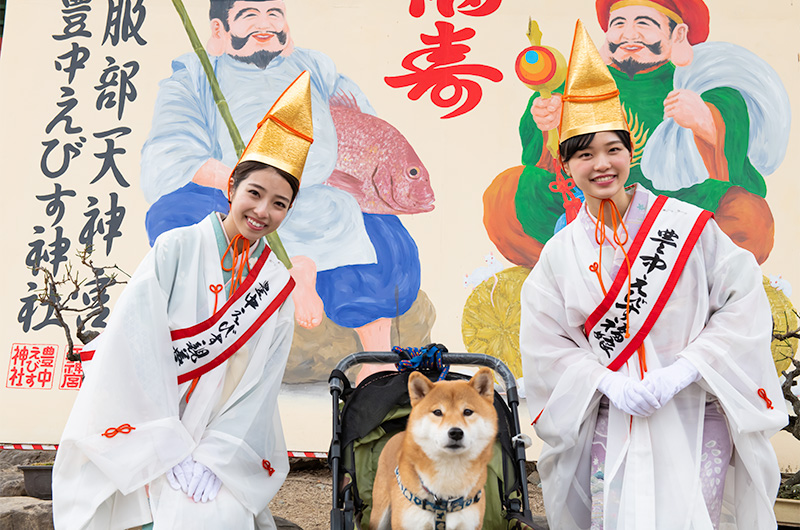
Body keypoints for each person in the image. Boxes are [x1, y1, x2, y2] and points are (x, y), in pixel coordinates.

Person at [520, 21, 787, 529]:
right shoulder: (560, 254)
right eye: (584, 154)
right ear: (566, 164)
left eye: (613, 149)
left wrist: (686, 369)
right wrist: (606, 383)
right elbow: (546, 342)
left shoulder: (686, 226)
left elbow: (742, 299)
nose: (602, 165)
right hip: (608, 415)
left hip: (695, 408)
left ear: (629, 152)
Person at [52, 71, 314, 530]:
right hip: (146, 427)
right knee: (128, 505)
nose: (262, 212)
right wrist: (164, 445)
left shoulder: (274, 283)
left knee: (219, 514)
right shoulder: (175, 248)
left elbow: (260, 385)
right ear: (231, 187)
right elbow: (133, 346)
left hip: (218, 441)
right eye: (254, 193)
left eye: (279, 203)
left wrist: (215, 456)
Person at [514, 0, 789, 264]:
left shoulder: (693, 81)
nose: (629, 35)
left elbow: (730, 113)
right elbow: (545, 155)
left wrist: (705, 119)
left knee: (749, 217)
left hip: (677, 202)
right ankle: (576, 271)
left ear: (677, 34)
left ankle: (682, 278)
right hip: (592, 200)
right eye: (618, 23)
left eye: (644, 23)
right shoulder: (580, 84)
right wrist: (548, 122)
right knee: (508, 193)